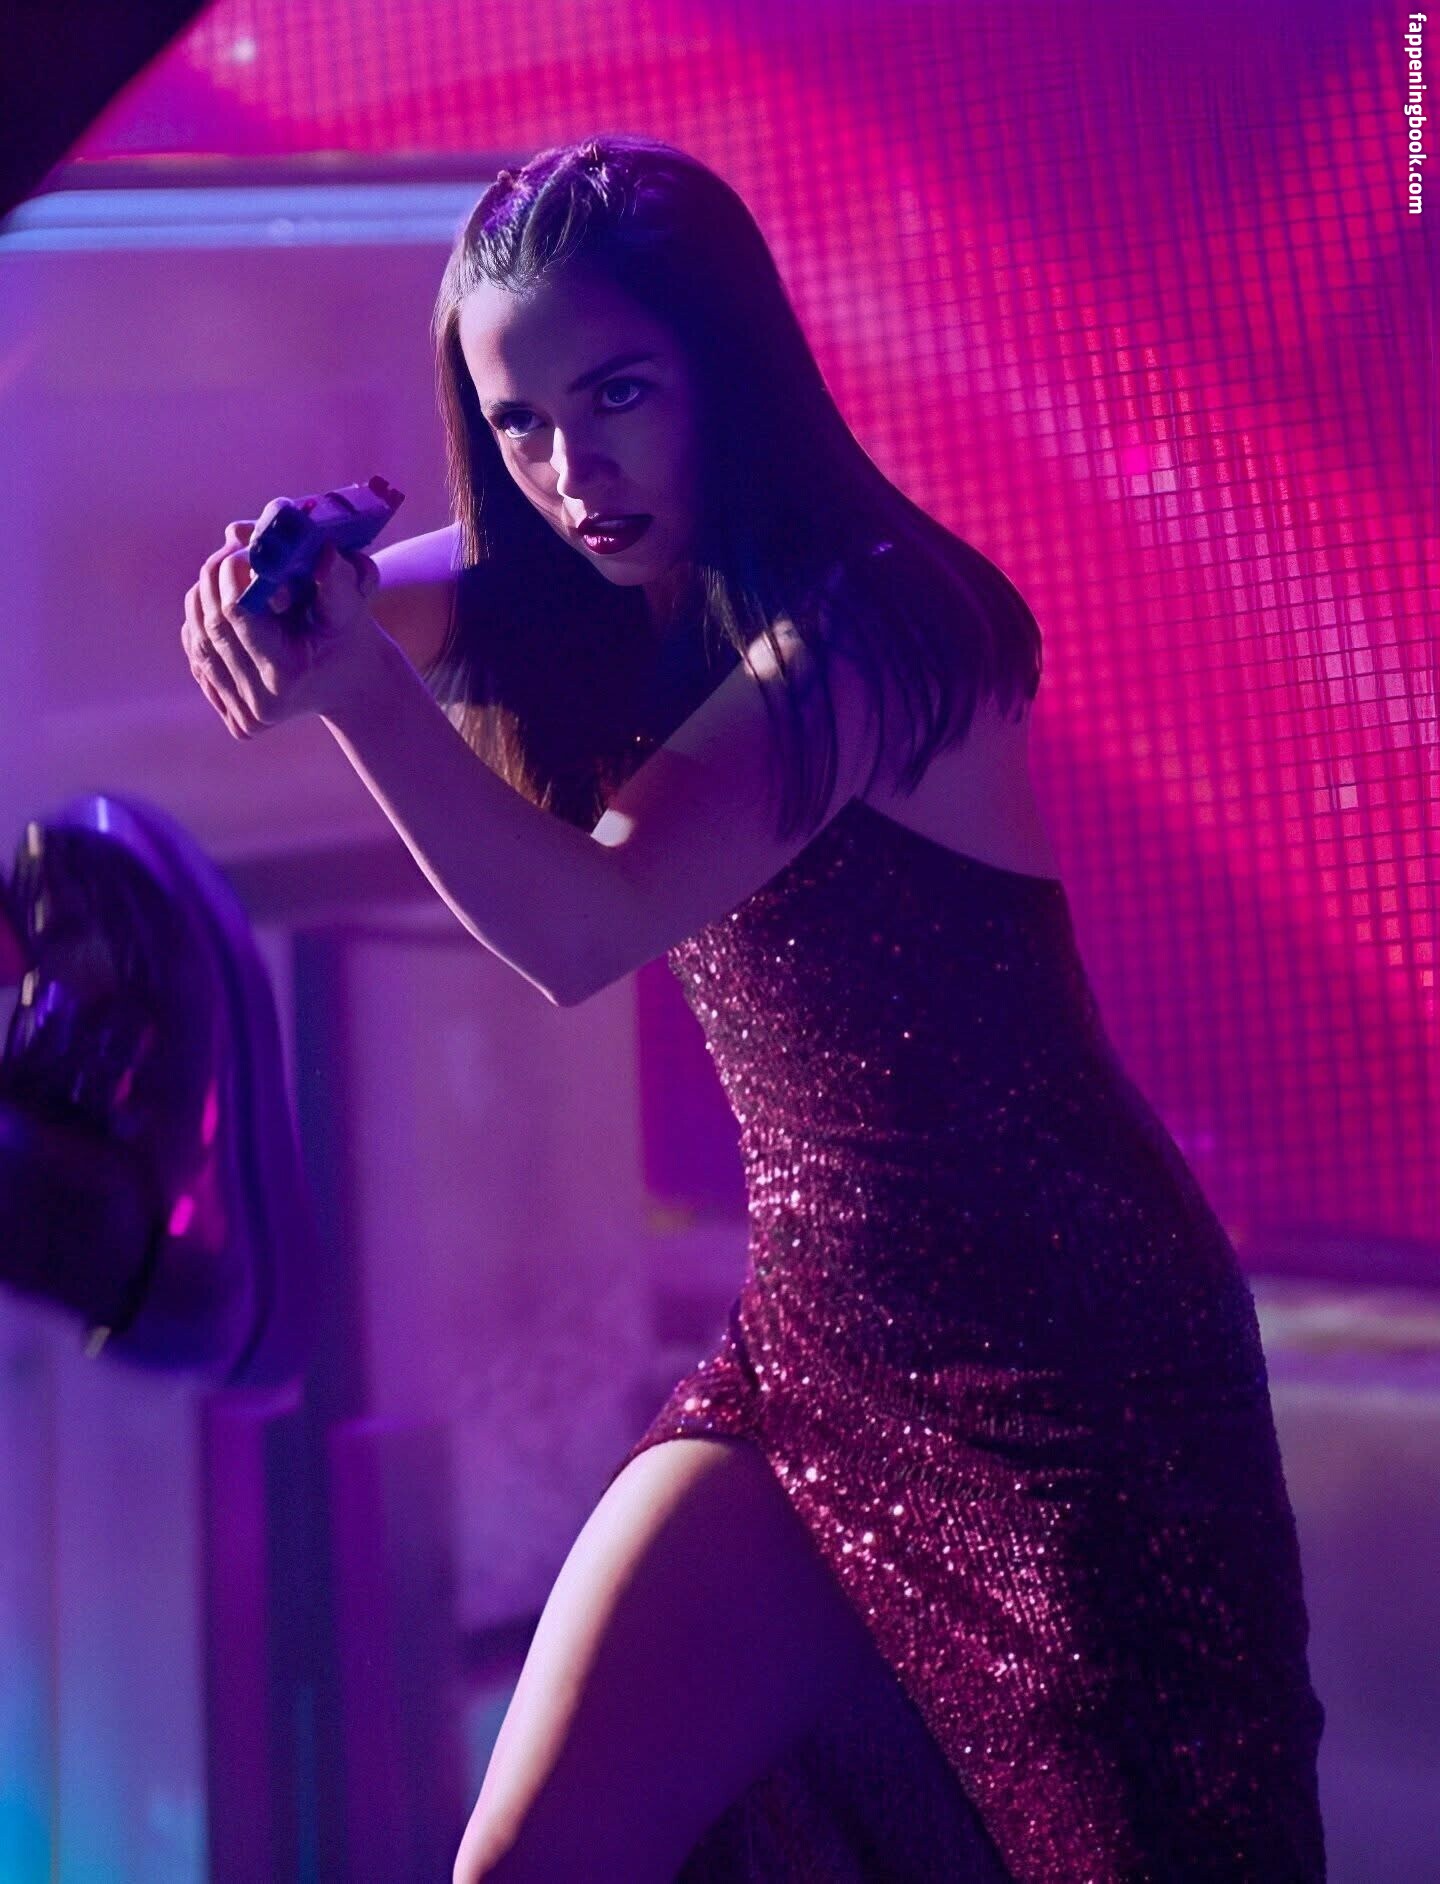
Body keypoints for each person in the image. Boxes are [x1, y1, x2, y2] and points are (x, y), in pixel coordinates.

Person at [181, 135, 1327, 1882]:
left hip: (1070, 1375)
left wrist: (351, 690)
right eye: (519, 422)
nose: (574, 471)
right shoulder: (584, 570)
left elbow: (585, 924)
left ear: (729, 368)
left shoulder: (874, 624)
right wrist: (287, 598)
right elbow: (385, 611)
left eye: (619, 396)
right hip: (818, 1356)